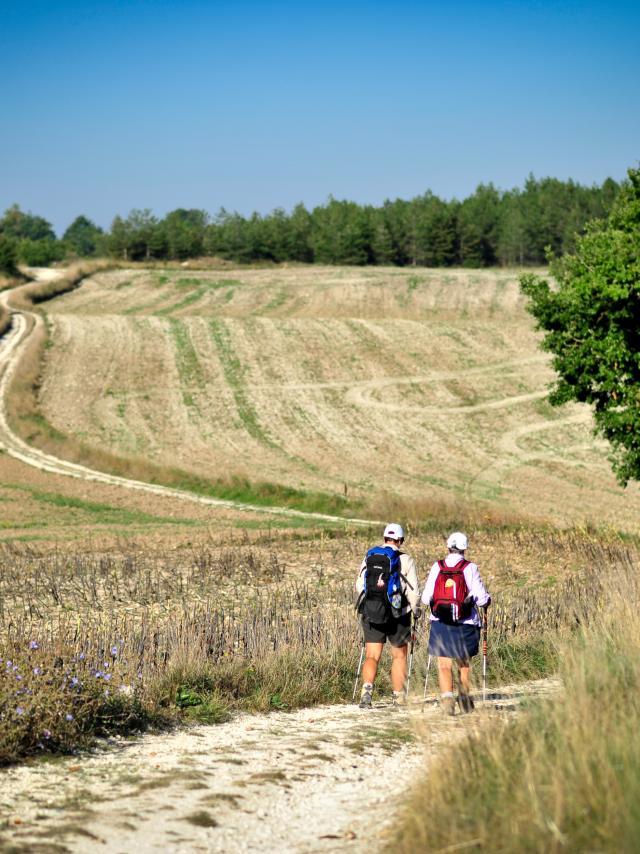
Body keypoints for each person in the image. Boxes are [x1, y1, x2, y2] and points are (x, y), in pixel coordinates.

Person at [421, 531, 490, 715]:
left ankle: (447, 701)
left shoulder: (437, 566)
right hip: (465, 622)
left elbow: (425, 598)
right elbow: (482, 600)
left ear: (448, 547)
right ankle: (464, 698)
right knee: (463, 663)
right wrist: (486, 600)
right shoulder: (470, 567)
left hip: (440, 621)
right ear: (464, 549)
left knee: (444, 664)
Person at [355, 523, 421, 709]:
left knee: (372, 655)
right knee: (399, 656)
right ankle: (398, 697)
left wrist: (369, 604)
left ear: (384, 538)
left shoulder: (370, 555)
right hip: (397, 614)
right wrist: (415, 611)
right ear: (400, 540)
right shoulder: (406, 559)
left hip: (372, 611)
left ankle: (366, 694)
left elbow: (360, 585)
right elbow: (414, 592)